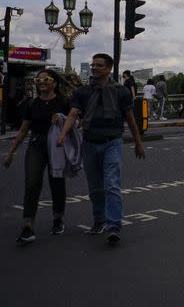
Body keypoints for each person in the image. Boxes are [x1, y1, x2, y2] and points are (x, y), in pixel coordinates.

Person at [60, 53, 145, 244]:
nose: (94, 67)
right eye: (93, 65)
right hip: (89, 142)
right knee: (95, 188)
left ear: (109, 69)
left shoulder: (121, 91)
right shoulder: (82, 91)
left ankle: (113, 225)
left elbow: (130, 118)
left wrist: (138, 142)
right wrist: (63, 133)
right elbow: (73, 114)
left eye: (99, 65)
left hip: (112, 142)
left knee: (112, 184)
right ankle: (99, 219)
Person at [3, 69, 71, 244]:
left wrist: (62, 119)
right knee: (32, 183)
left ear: (54, 83)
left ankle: (58, 218)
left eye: (45, 79)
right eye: (38, 79)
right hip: (36, 144)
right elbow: (23, 130)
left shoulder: (63, 101)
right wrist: (11, 152)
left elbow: (75, 122)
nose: (41, 82)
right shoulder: (32, 104)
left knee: (56, 181)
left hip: (56, 145)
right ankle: (27, 225)